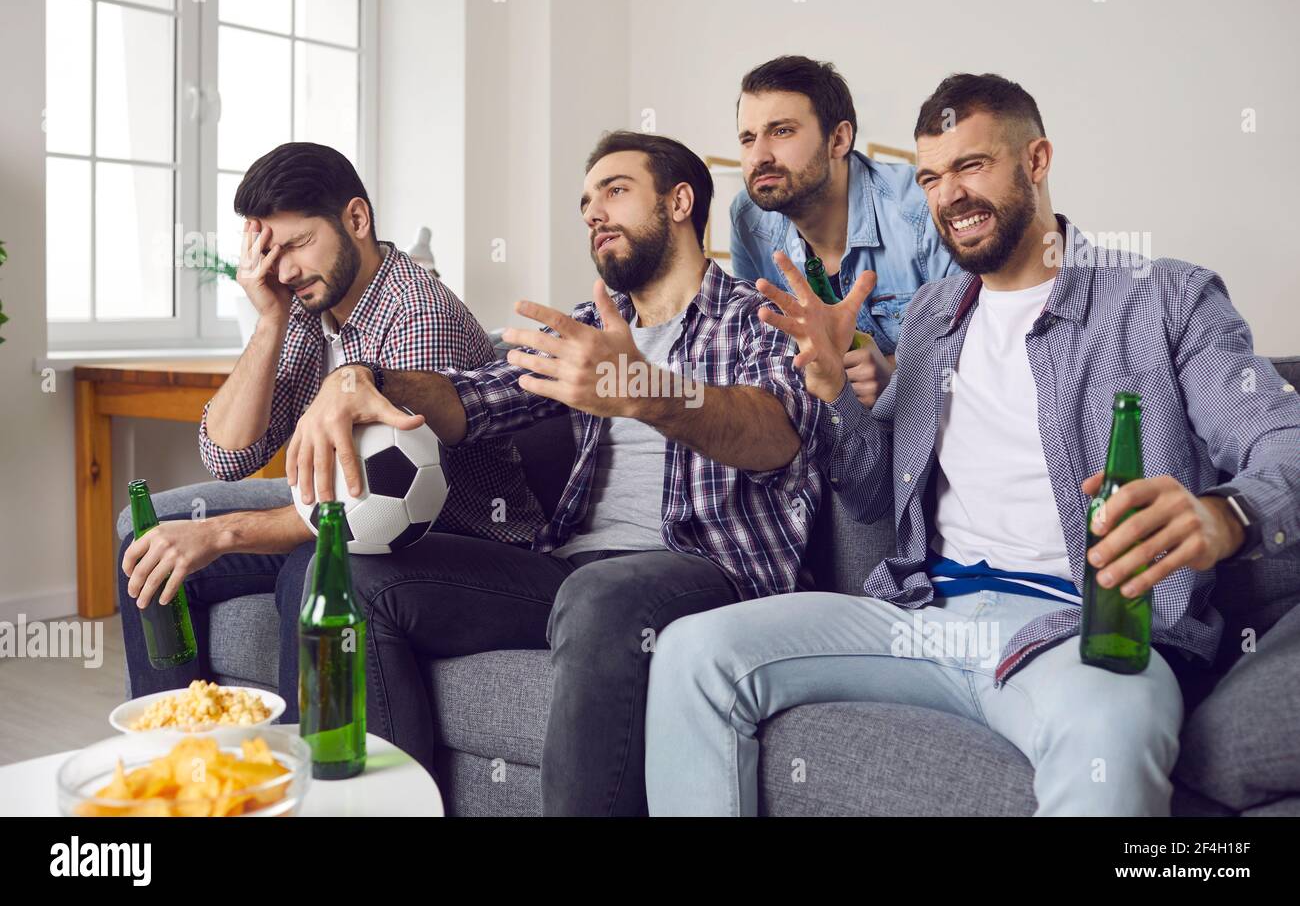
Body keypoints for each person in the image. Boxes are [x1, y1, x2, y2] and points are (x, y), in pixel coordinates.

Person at [644, 73, 1300, 816]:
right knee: (694, 655)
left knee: (1111, 734)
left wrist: (1228, 516)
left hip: (1075, 630)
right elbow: (869, 491)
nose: (948, 195)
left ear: (1037, 161)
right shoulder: (932, 315)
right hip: (923, 616)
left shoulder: (1163, 298)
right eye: (929, 176)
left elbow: (1284, 439)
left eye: (971, 166)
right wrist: (834, 396)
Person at [286, 131, 823, 815]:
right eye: (585, 202)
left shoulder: (759, 318)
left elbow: (774, 435)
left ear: (680, 200)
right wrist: (361, 376)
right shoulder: (585, 331)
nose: (594, 212)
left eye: (616, 191)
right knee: (360, 577)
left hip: (710, 571)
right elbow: (470, 401)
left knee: (600, 597)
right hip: (571, 572)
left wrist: (642, 389)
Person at [117, 142, 543, 717]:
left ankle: (304, 784)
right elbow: (225, 454)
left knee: (311, 568)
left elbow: (368, 506)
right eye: (272, 249)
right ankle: (181, 750)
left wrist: (221, 534)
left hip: (453, 537)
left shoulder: (419, 314)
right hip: (344, 508)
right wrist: (269, 318)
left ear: (357, 219)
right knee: (150, 541)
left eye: (297, 243)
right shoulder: (305, 308)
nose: (285, 268)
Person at [729, 55, 959, 409]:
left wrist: (897, 375)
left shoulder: (922, 207)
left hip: (934, 436)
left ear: (838, 139)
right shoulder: (749, 219)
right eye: (747, 138)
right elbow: (761, 352)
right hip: (831, 444)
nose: (758, 155)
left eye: (782, 131)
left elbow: (979, 347)